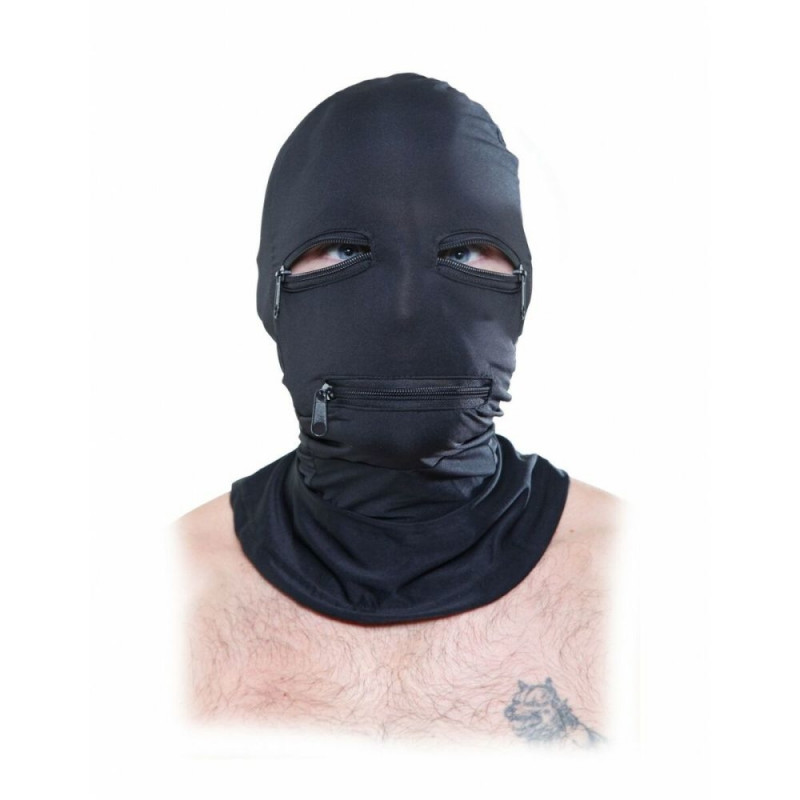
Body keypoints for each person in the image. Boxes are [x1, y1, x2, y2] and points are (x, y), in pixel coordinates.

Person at [177, 73, 621, 748]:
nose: (407, 310)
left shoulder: (653, 583)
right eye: (345, 252)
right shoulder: (154, 595)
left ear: (522, 291)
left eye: (463, 252)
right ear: (273, 297)